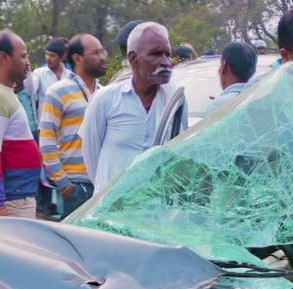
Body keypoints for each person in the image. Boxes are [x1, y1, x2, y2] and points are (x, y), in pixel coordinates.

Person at [80, 22, 184, 191]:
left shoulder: (174, 100)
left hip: (155, 210)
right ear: (133, 59)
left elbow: (177, 153)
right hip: (112, 210)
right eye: (156, 54)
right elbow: (92, 160)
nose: (166, 62)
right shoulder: (105, 99)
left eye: (167, 54)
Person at [39, 33, 106, 220]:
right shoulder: (58, 91)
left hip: (101, 183)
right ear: (78, 58)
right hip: (75, 185)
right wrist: (63, 184)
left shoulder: (104, 93)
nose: (102, 57)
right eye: (96, 53)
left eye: (103, 52)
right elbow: (47, 139)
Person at [0, 30, 42, 218]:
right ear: (4, 58)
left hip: (20, 196)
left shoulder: (6, 92)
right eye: (22, 56)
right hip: (11, 201)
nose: (27, 62)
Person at [207, 41, 256, 115]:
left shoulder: (219, 105)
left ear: (225, 65)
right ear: (254, 71)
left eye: (220, 65)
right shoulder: (259, 99)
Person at [32, 37, 74, 112]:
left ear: (62, 57)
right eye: (46, 54)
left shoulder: (71, 76)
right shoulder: (39, 74)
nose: (48, 58)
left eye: (52, 55)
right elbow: (30, 91)